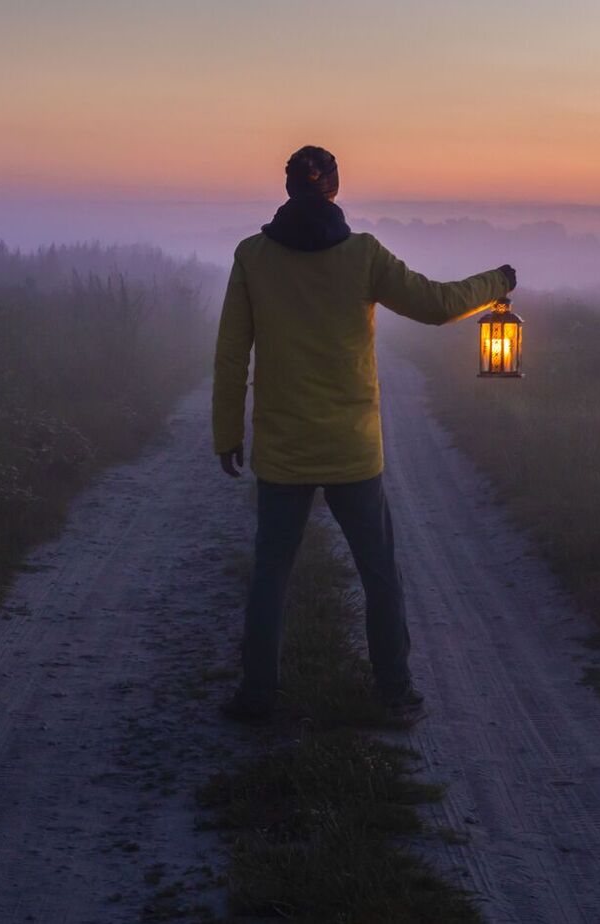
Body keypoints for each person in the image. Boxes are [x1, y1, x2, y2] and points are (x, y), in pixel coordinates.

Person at [212, 145, 515, 725]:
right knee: (379, 575)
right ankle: (394, 695)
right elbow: (435, 304)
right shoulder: (362, 255)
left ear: (288, 188)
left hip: (283, 451)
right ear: (334, 188)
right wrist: (497, 281)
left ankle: (258, 697)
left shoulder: (252, 256)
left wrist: (227, 431)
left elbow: (231, 355)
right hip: (353, 449)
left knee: (271, 575)